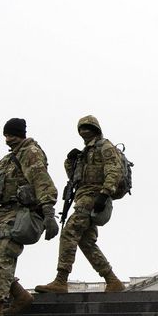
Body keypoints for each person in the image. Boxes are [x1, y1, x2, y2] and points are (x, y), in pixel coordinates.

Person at [0, 118, 59, 316]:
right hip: (2, 213)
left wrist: (49, 214)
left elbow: (43, 182)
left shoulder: (31, 153)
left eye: (11, 135)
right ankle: (20, 296)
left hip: (20, 214)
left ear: (20, 134)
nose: (7, 140)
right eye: (6, 136)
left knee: (2, 260)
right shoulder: (7, 160)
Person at [35, 115, 125, 294]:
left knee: (69, 233)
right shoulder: (85, 152)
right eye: (81, 128)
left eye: (87, 128)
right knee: (86, 242)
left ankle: (61, 280)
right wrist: (70, 161)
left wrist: (105, 193)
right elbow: (75, 178)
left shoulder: (105, 146)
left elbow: (114, 169)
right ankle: (112, 280)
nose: (84, 131)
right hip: (82, 195)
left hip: (93, 196)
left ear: (95, 129)